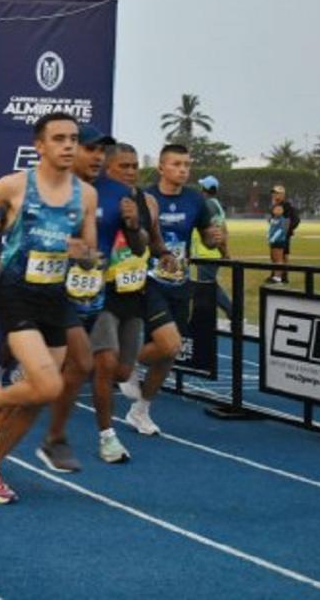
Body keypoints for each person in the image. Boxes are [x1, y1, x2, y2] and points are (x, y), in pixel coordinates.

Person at [0, 113, 98, 504]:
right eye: (59, 138)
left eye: (73, 138)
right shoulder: (15, 186)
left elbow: (90, 255)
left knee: (38, 395)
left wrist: (83, 253)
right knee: (49, 384)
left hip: (55, 296)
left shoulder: (85, 195)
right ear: (40, 146)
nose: (69, 145)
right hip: (16, 291)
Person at [120, 143, 225, 436]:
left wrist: (213, 238)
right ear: (162, 168)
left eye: (187, 165)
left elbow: (206, 239)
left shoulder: (195, 200)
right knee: (169, 344)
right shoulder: (146, 198)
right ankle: (126, 362)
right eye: (177, 164)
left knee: (169, 354)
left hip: (180, 281)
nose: (183, 169)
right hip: (149, 280)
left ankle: (140, 411)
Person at [35, 125, 114, 473]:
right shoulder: (39, 188)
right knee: (50, 376)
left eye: (102, 151)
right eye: (91, 148)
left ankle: (57, 437)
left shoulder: (106, 195)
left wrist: (89, 255)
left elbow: (97, 248)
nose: (98, 156)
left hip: (92, 296)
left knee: (86, 366)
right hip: (43, 291)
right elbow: (5, 233)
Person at [89, 143, 153, 463]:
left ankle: (75, 366)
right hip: (103, 293)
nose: (131, 171)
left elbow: (141, 247)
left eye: (134, 166)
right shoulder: (93, 194)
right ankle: (107, 436)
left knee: (123, 370)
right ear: (108, 168)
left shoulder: (138, 200)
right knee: (105, 364)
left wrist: (132, 224)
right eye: (124, 166)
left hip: (133, 293)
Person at [193, 175, 233, 316]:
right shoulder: (217, 205)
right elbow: (224, 231)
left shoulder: (207, 205)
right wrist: (225, 252)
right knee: (206, 289)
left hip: (207, 253)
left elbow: (216, 232)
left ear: (204, 189)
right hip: (212, 253)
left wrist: (224, 251)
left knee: (209, 288)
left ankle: (233, 313)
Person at [267, 184, 299, 283]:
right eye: (273, 193)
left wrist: (286, 230)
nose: (274, 195)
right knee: (276, 256)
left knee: (280, 256)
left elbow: (295, 220)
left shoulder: (287, 206)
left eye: (276, 193)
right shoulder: (275, 205)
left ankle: (279, 276)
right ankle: (279, 275)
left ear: (282, 195)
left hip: (282, 236)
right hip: (276, 235)